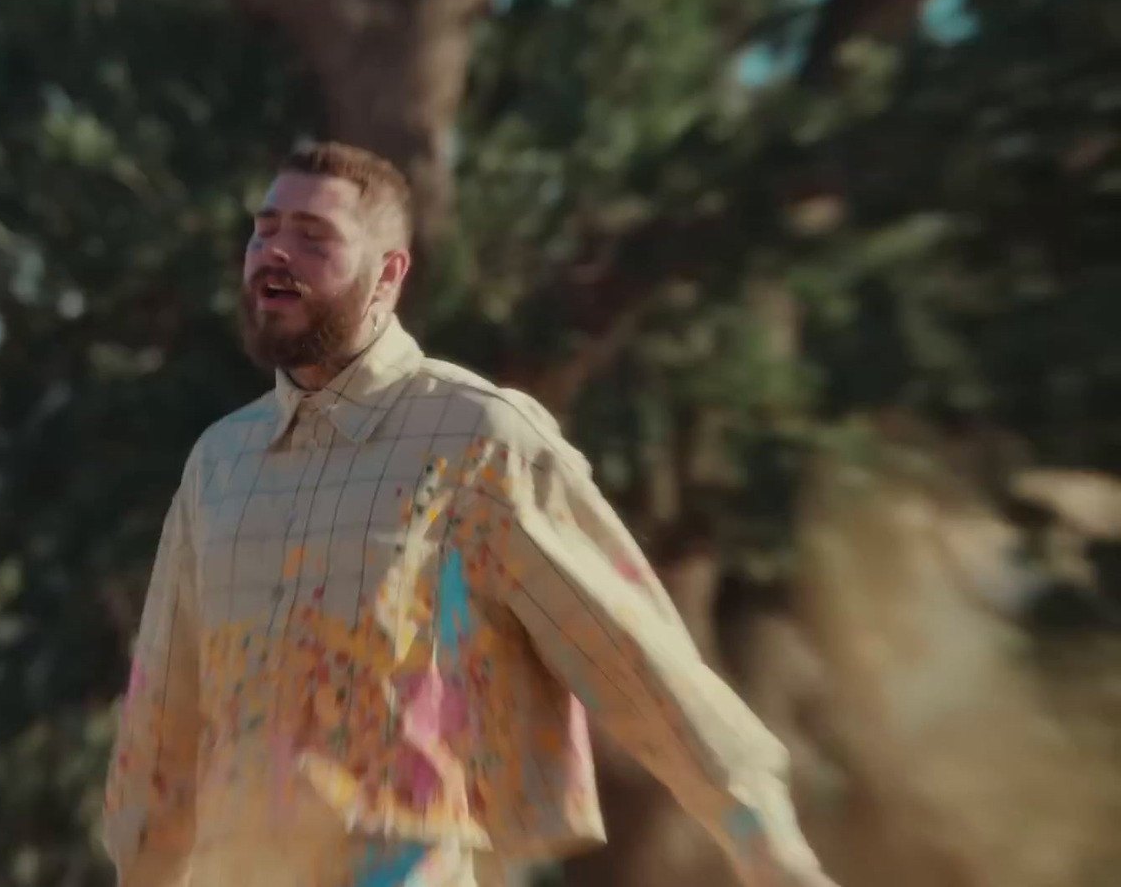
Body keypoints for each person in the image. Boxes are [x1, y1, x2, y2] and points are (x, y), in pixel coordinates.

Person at [101, 142, 836, 887]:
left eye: (313, 236)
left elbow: (632, 656)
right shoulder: (219, 464)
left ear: (390, 273)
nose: (275, 253)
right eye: (265, 230)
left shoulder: (479, 439)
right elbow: (164, 714)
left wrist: (764, 841)